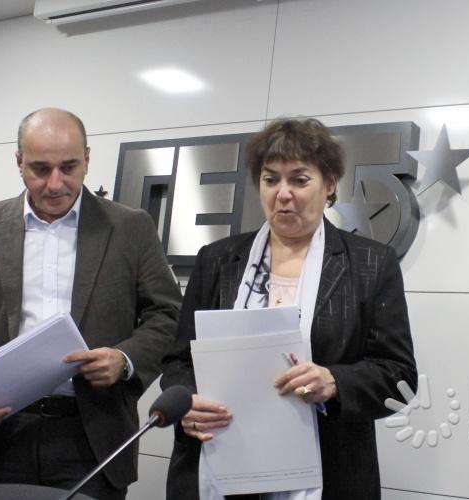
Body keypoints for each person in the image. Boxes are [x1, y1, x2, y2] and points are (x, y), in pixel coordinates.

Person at [0, 108, 182, 499]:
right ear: (18, 162)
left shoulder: (130, 228)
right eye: (40, 169)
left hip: (92, 435)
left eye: (69, 167)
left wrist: (124, 358)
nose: (55, 183)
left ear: (87, 159)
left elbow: (167, 315)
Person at [160, 117, 417, 500]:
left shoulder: (370, 263)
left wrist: (334, 382)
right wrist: (188, 399)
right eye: (271, 179)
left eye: (299, 180)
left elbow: (399, 376)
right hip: (220, 463)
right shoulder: (217, 259)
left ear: (329, 184)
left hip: (330, 471)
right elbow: (179, 360)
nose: (283, 193)